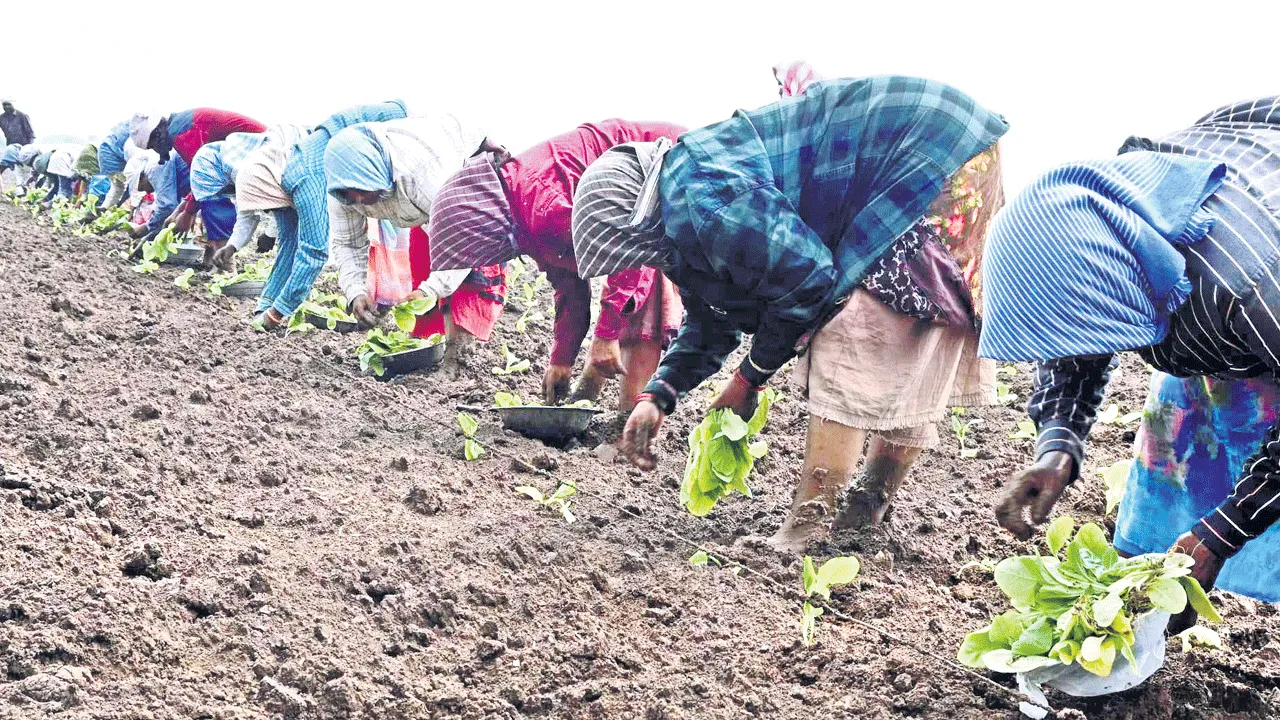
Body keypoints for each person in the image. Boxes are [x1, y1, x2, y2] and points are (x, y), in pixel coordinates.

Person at [571, 76, 1008, 551]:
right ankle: (867, 505)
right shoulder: (686, 206)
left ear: (637, 225)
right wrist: (659, 394)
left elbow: (811, 279)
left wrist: (748, 380)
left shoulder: (705, 196)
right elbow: (712, 318)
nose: (641, 261)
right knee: (907, 337)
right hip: (960, 148)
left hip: (933, 152)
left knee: (855, 332)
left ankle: (808, 527)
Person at [979, 95, 1280, 633]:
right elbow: (1075, 335)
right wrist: (1059, 445)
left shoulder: (1248, 285)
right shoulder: (1111, 236)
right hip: (1210, 311)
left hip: (1257, 290)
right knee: (1181, 445)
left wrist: (1222, 533)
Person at [425, 118, 687, 408]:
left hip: (671, 165)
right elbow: (570, 286)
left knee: (644, 303)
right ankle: (587, 401)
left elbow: (631, 253)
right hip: (634, 199)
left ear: (479, 224)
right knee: (617, 312)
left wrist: (605, 335)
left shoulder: (541, 205)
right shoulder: (522, 212)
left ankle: (625, 428)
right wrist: (561, 359)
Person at [322, 115, 505, 371]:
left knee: (470, 275)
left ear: (378, 170)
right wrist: (356, 292)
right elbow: (348, 244)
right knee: (420, 266)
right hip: (421, 206)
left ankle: (457, 360)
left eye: (365, 189)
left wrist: (430, 291)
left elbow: (465, 240)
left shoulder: (424, 174)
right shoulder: (341, 192)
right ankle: (425, 350)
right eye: (353, 195)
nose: (361, 199)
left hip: (468, 177)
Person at [233, 101, 408, 329]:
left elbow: (314, 252)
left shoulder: (305, 178)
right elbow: (289, 244)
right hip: (368, 149)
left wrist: (276, 314)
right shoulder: (285, 178)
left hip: (399, 135)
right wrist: (266, 304)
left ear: (267, 191)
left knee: (396, 239)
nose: (271, 212)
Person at [131, 108, 267, 238]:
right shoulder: (179, 125)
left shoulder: (182, 133)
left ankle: (221, 255)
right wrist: (179, 211)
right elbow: (198, 181)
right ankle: (217, 250)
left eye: (152, 145)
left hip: (263, 151)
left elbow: (202, 179)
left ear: (157, 134)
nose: (156, 150)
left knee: (213, 200)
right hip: (255, 152)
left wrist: (188, 213)